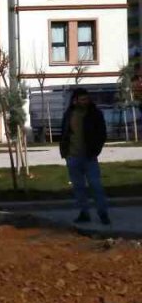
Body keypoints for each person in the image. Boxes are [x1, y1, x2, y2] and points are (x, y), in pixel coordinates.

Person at [59, 88, 109, 225]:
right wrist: (65, 152)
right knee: (78, 187)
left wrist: (96, 150)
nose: (85, 102)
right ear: (75, 100)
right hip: (73, 157)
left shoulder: (94, 114)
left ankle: (103, 213)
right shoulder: (69, 114)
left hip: (89, 157)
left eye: (86, 99)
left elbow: (102, 134)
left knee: (96, 185)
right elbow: (64, 133)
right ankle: (84, 213)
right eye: (82, 99)